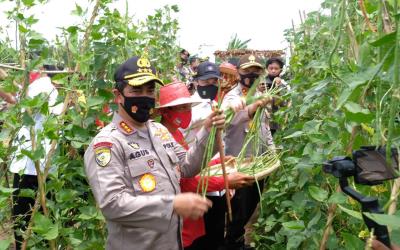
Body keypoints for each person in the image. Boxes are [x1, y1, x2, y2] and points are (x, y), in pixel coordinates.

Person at [84, 53, 226, 250]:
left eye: (150, 90)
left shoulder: (159, 131)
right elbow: (112, 204)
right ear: (118, 96)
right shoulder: (108, 143)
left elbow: (187, 166)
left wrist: (208, 132)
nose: (144, 96)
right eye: (136, 90)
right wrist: (171, 205)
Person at [157, 81, 255, 250]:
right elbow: (184, 180)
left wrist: (217, 161)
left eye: (188, 107)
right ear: (166, 112)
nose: (188, 112)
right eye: (182, 108)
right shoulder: (161, 137)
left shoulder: (174, 134)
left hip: (192, 217)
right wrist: (225, 181)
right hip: (181, 218)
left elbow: (190, 163)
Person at [221, 54, 274, 250]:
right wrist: (250, 108)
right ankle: (231, 243)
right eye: (247, 71)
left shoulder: (260, 95)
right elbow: (228, 120)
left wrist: (272, 151)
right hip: (238, 164)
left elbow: (265, 127)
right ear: (239, 73)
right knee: (237, 209)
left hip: (259, 164)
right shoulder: (232, 98)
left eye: (256, 71)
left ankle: (239, 240)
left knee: (251, 204)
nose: (251, 75)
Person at [9, 65, 64, 250]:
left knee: (23, 219)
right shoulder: (48, 88)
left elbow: (19, 101)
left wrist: (5, 81)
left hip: (33, 166)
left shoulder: (41, 85)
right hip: (43, 164)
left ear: (41, 68)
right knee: (42, 216)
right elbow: (17, 96)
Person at [258, 57, 290, 135]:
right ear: (266, 69)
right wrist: (259, 91)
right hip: (261, 120)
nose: (273, 70)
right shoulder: (260, 83)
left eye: (276, 68)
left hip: (275, 122)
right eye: (271, 68)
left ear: (281, 70)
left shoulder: (284, 85)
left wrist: (278, 88)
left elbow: (284, 104)